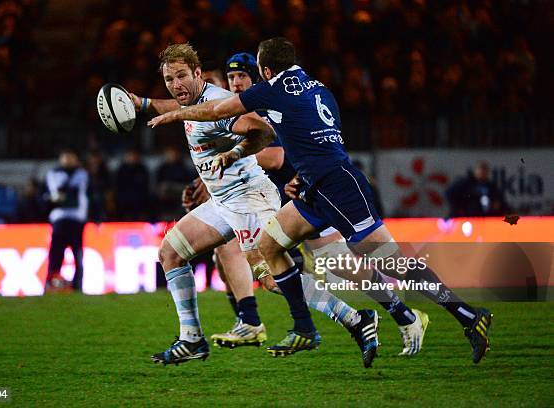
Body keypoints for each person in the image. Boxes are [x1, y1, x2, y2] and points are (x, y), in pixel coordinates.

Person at [149, 37, 493, 365]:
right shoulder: (320, 89)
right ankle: (304, 327)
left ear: (265, 70)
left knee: (392, 264)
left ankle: (467, 315)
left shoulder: (273, 88)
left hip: (338, 186)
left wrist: (175, 114)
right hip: (314, 186)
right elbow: (322, 135)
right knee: (271, 244)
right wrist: (300, 174)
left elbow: (220, 110)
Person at [206, 52, 427, 360]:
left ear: (257, 77)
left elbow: (279, 156)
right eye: (231, 79)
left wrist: (228, 158)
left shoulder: (267, 107)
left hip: (305, 194)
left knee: (338, 266)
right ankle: (262, 322)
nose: (237, 82)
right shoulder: (244, 116)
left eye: (242, 76)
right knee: (259, 265)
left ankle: (395, 314)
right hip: (280, 201)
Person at [130, 43, 281, 366]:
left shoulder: (220, 105)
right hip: (226, 202)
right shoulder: (197, 102)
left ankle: (354, 316)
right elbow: (177, 106)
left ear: (199, 74)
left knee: (272, 278)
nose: (176, 84)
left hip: (252, 198)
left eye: (182, 76)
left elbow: (268, 141)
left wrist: (233, 156)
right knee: (171, 252)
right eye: (170, 79)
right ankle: (193, 339)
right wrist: (142, 103)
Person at [45, 149, 89, 292]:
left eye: (71, 157)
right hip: (59, 218)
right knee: (56, 254)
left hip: (77, 219)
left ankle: (77, 286)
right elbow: (43, 196)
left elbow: (91, 195)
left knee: (78, 254)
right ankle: (51, 284)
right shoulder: (53, 174)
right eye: (66, 157)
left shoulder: (83, 175)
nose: (68, 160)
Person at [446, 161, 510, 217]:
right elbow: (449, 193)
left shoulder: (491, 187)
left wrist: (499, 206)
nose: (482, 172)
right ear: (475, 171)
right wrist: (459, 209)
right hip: (469, 218)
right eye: (480, 169)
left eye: (485, 170)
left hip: (487, 218)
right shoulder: (465, 183)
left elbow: (501, 202)